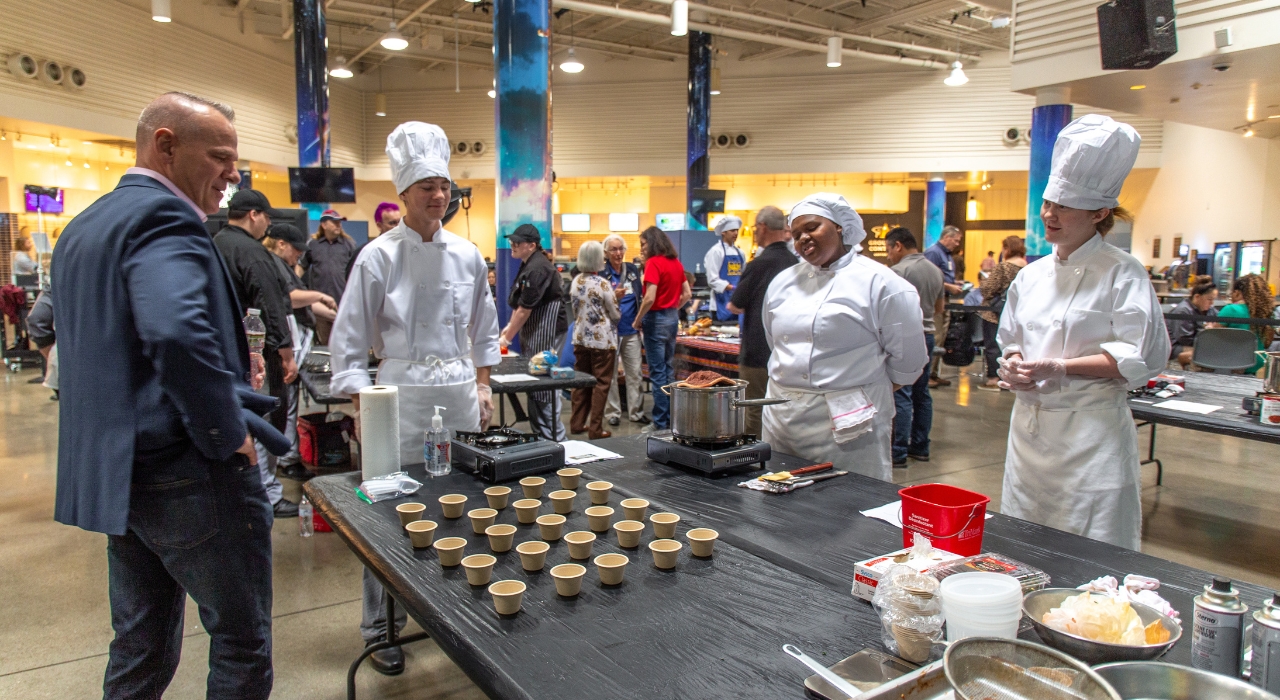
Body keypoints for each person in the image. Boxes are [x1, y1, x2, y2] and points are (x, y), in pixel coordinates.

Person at [51, 92, 287, 699]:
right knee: (241, 643)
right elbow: (174, 331)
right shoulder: (165, 217)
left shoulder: (85, 225)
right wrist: (225, 431)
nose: (233, 175)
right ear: (165, 145)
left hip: (121, 475)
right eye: (220, 157)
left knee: (141, 646)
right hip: (188, 474)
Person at [329, 121, 499, 675]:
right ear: (403, 193)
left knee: (462, 504)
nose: (438, 195)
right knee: (390, 509)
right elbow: (349, 340)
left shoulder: (468, 256)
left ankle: (460, 611)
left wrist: (483, 384)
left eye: (444, 186)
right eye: (427, 186)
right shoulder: (378, 256)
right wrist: (361, 403)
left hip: (458, 396)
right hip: (398, 399)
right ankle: (381, 627)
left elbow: (484, 329)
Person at [996, 114, 1168, 551]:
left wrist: (1062, 367)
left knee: (1090, 552)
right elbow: (1011, 338)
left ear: (1100, 213)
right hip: (1029, 435)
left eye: (1065, 206)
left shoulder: (1122, 272)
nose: (1049, 214)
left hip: (1091, 440)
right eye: (1048, 202)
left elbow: (1139, 357)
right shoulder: (1030, 275)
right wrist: (1014, 364)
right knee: (1024, 547)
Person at [760, 194, 926, 480]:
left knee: (847, 498)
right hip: (781, 416)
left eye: (812, 227)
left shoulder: (882, 283)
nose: (803, 238)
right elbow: (774, 342)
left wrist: (858, 388)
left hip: (849, 424)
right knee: (778, 492)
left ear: (839, 226)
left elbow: (908, 361)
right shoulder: (782, 282)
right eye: (796, 234)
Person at [213, 188, 300, 517]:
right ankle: (268, 494)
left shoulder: (215, 243)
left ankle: (251, 490)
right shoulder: (251, 251)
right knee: (265, 418)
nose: (268, 226)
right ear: (254, 215)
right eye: (266, 218)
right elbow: (270, 306)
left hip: (224, 351)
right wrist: (286, 352)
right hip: (257, 353)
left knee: (241, 420)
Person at [266, 223, 338, 480]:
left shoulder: (285, 266)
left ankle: (286, 455)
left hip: (298, 340)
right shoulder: (272, 264)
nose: (298, 255)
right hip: (287, 344)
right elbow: (291, 299)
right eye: (295, 249)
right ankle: (286, 459)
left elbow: (305, 306)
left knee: (289, 401)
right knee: (284, 403)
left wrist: (337, 315)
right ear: (280, 243)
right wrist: (319, 295)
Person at [726, 205, 796, 437]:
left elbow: (735, 304)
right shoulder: (796, 264)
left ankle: (753, 454)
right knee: (783, 407)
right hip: (789, 350)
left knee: (753, 408)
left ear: (763, 227)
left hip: (757, 349)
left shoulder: (758, 264)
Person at [499, 224, 570, 441]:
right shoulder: (529, 264)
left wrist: (506, 338)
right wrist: (509, 328)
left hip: (546, 333)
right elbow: (520, 304)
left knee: (543, 387)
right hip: (537, 332)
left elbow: (525, 309)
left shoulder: (538, 268)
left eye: (517, 242)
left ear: (531, 245)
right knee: (537, 384)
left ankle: (556, 441)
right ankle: (544, 439)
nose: (512, 245)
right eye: (512, 241)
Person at [883, 226, 944, 466]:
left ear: (898, 246)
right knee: (922, 394)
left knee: (902, 392)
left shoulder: (897, 272)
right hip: (928, 335)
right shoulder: (935, 270)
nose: (888, 256)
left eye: (889, 250)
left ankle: (897, 452)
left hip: (905, 337)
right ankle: (920, 446)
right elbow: (940, 308)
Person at [633, 226, 692, 431]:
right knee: (668, 371)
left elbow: (649, 297)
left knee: (657, 373)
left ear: (653, 242)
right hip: (671, 318)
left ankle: (660, 423)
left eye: (643, 244)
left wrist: (637, 319)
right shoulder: (676, 263)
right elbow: (687, 294)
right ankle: (671, 420)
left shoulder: (653, 263)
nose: (642, 248)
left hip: (655, 319)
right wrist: (673, 308)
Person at [569, 241, 620, 439]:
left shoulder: (576, 281)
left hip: (580, 337)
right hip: (602, 341)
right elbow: (615, 314)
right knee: (601, 383)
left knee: (581, 382)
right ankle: (596, 429)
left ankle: (576, 423)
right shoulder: (602, 283)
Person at [601, 234, 648, 426]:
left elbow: (640, 295)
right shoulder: (601, 272)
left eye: (621, 249)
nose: (618, 253)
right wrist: (613, 296)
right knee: (610, 374)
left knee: (635, 373)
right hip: (609, 331)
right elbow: (596, 301)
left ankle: (636, 412)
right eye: (613, 249)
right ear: (606, 252)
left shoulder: (632, 270)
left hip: (631, 329)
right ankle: (613, 412)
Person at [977, 236, 1028, 391]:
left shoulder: (1004, 267)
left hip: (994, 313)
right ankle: (1010, 378)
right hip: (1018, 312)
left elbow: (987, 289)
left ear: (1007, 249)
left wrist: (984, 280)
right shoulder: (1027, 267)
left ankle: (994, 379)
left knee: (993, 345)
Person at [304, 209, 356, 344]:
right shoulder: (313, 244)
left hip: (343, 302)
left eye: (339, 222)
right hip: (320, 304)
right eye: (334, 222)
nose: (338, 225)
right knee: (325, 343)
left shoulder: (349, 244)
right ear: (324, 225)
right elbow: (301, 267)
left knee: (344, 342)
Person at [924, 225, 964, 387]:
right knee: (936, 336)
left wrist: (954, 283)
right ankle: (927, 375)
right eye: (955, 240)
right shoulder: (933, 253)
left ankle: (934, 373)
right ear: (946, 237)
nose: (957, 244)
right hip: (936, 300)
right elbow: (929, 278)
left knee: (941, 338)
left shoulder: (946, 255)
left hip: (945, 298)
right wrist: (949, 286)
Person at [1217, 273, 1275, 373]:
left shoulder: (1230, 309)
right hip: (1257, 365)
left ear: (1237, 293)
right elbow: (1267, 344)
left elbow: (1213, 341)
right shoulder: (1267, 314)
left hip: (1231, 364)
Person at [1166, 281, 1217, 369]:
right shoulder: (1183, 311)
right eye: (1209, 299)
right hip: (1178, 347)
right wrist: (1206, 333)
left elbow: (1219, 322)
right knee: (1210, 353)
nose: (1212, 303)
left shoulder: (1210, 310)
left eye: (1213, 300)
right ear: (1197, 297)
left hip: (1202, 344)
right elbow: (1185, 339)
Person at [703, 215, 745, 322]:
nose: (735, 233)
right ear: (723, 232)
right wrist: (731, 287)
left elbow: (744, 275)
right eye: (732, 230)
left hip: (737, 301)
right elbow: (712, 280)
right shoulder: (716, 252)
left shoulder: (740, 253)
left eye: (737, 230)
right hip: (720, 303)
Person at [346, 201, 403, 279]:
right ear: (379, 226)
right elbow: (351, 279)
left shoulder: (406, 248)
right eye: (392, 223)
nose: (398, 227)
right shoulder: (366, 252)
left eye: (400, 222)